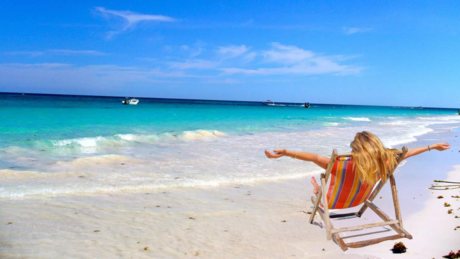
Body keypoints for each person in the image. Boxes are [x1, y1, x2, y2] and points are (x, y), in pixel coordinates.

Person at [264, 131, 451, 195]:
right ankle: (316, 187)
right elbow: (407, 153)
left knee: (322, 184)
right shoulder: (386, 162)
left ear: (355, 149)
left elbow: (313, 157)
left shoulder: (338, 164)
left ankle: (316, 189)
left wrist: (287, 153)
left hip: (333, 202)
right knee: (326, 180)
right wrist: (433, 146)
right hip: (360, 198)